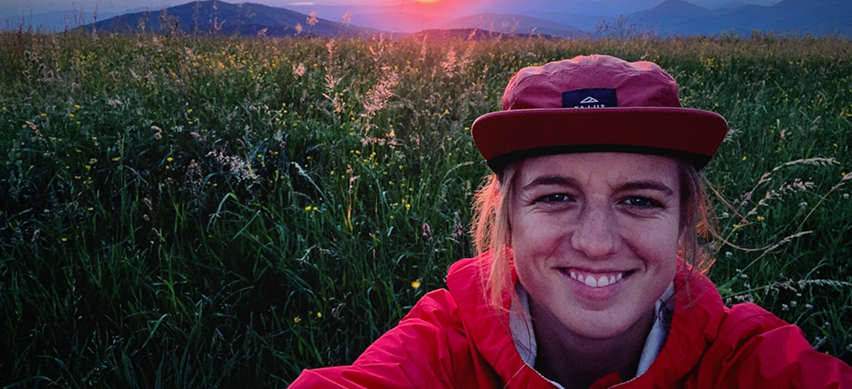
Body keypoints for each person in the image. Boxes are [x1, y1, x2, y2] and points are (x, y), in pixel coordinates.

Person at [289, 54, 852, 388]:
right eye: (557, 197)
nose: (597, 242)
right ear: (507, 218)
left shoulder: (741, 359)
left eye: (639, 201)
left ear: (685, 223)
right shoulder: (444, 348)